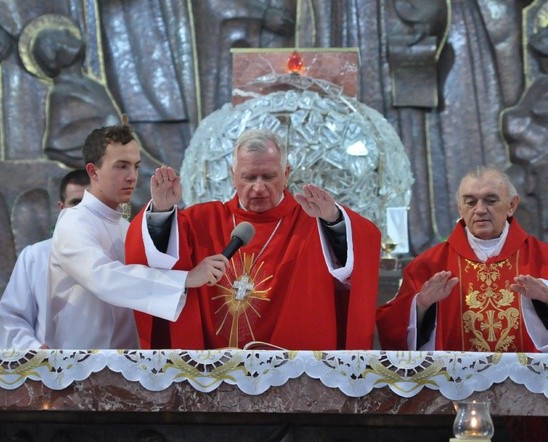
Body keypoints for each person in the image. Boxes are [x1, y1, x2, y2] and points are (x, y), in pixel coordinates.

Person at [126, 128, 381, 350]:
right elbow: (155, 259)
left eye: (268, 177)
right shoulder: (201, 222)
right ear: (233, 175)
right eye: (249, 177)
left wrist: (334, 219)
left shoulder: (313, 222)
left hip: (291, 371)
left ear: (287, 173)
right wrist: (161, 211)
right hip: (212, 371)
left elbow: (364, 243)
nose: (258, 187)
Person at [46, 122, 227, 349]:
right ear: (93, 171)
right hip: (79, 359)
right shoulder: (73, 222)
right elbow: (103, 278)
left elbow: (155, 268)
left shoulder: (124, 225)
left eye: (136, 166)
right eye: (121, 166)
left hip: (127, 359)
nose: (132, 176)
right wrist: (186, 279)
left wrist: (162, 209)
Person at [377, 167, 548, 352]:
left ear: (512, 205)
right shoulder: (428, 265)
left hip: (527, 378)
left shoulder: (542, 257)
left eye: (490, 200)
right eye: (470, 202)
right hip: (455, 379)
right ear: (460, 208)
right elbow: (390, 331)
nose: (480, 210)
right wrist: (421, 305)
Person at [0, 169, 89, 348]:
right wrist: (33, 349)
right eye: (75, 202)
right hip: (49, 369)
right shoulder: (35, 257)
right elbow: (11, 317)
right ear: (62, 208)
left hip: (108, 368)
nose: (82, 211)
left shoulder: (118, 253)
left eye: (89, 203)